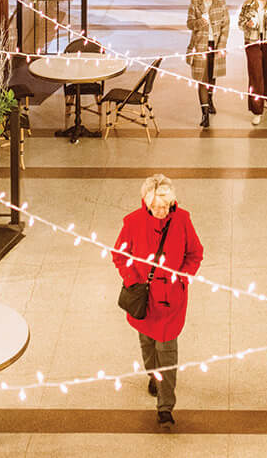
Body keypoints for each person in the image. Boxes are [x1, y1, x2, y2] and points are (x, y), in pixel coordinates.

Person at [112, 175, 204, 431]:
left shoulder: (183, 219)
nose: (162, 212)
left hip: (171, 302)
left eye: (166, 206)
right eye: (157, 207)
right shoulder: (132, 222)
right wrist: (132, 281)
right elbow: (120, 255)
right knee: (148, 347)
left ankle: (165, 407)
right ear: (147, 204)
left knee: (167, 353)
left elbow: (195, 253)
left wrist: (182, 279)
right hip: (144, 301)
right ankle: (153, 375)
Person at [186, 0, 229, 128]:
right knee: (202, 79)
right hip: (200, 46)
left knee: (212, 75)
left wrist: (221, 45)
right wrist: (199, 22)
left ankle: (210, 99)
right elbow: (189, 24)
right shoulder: (195, 3)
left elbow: (226, 26)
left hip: (215, 46)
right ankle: (204, 114)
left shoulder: (221, 3)